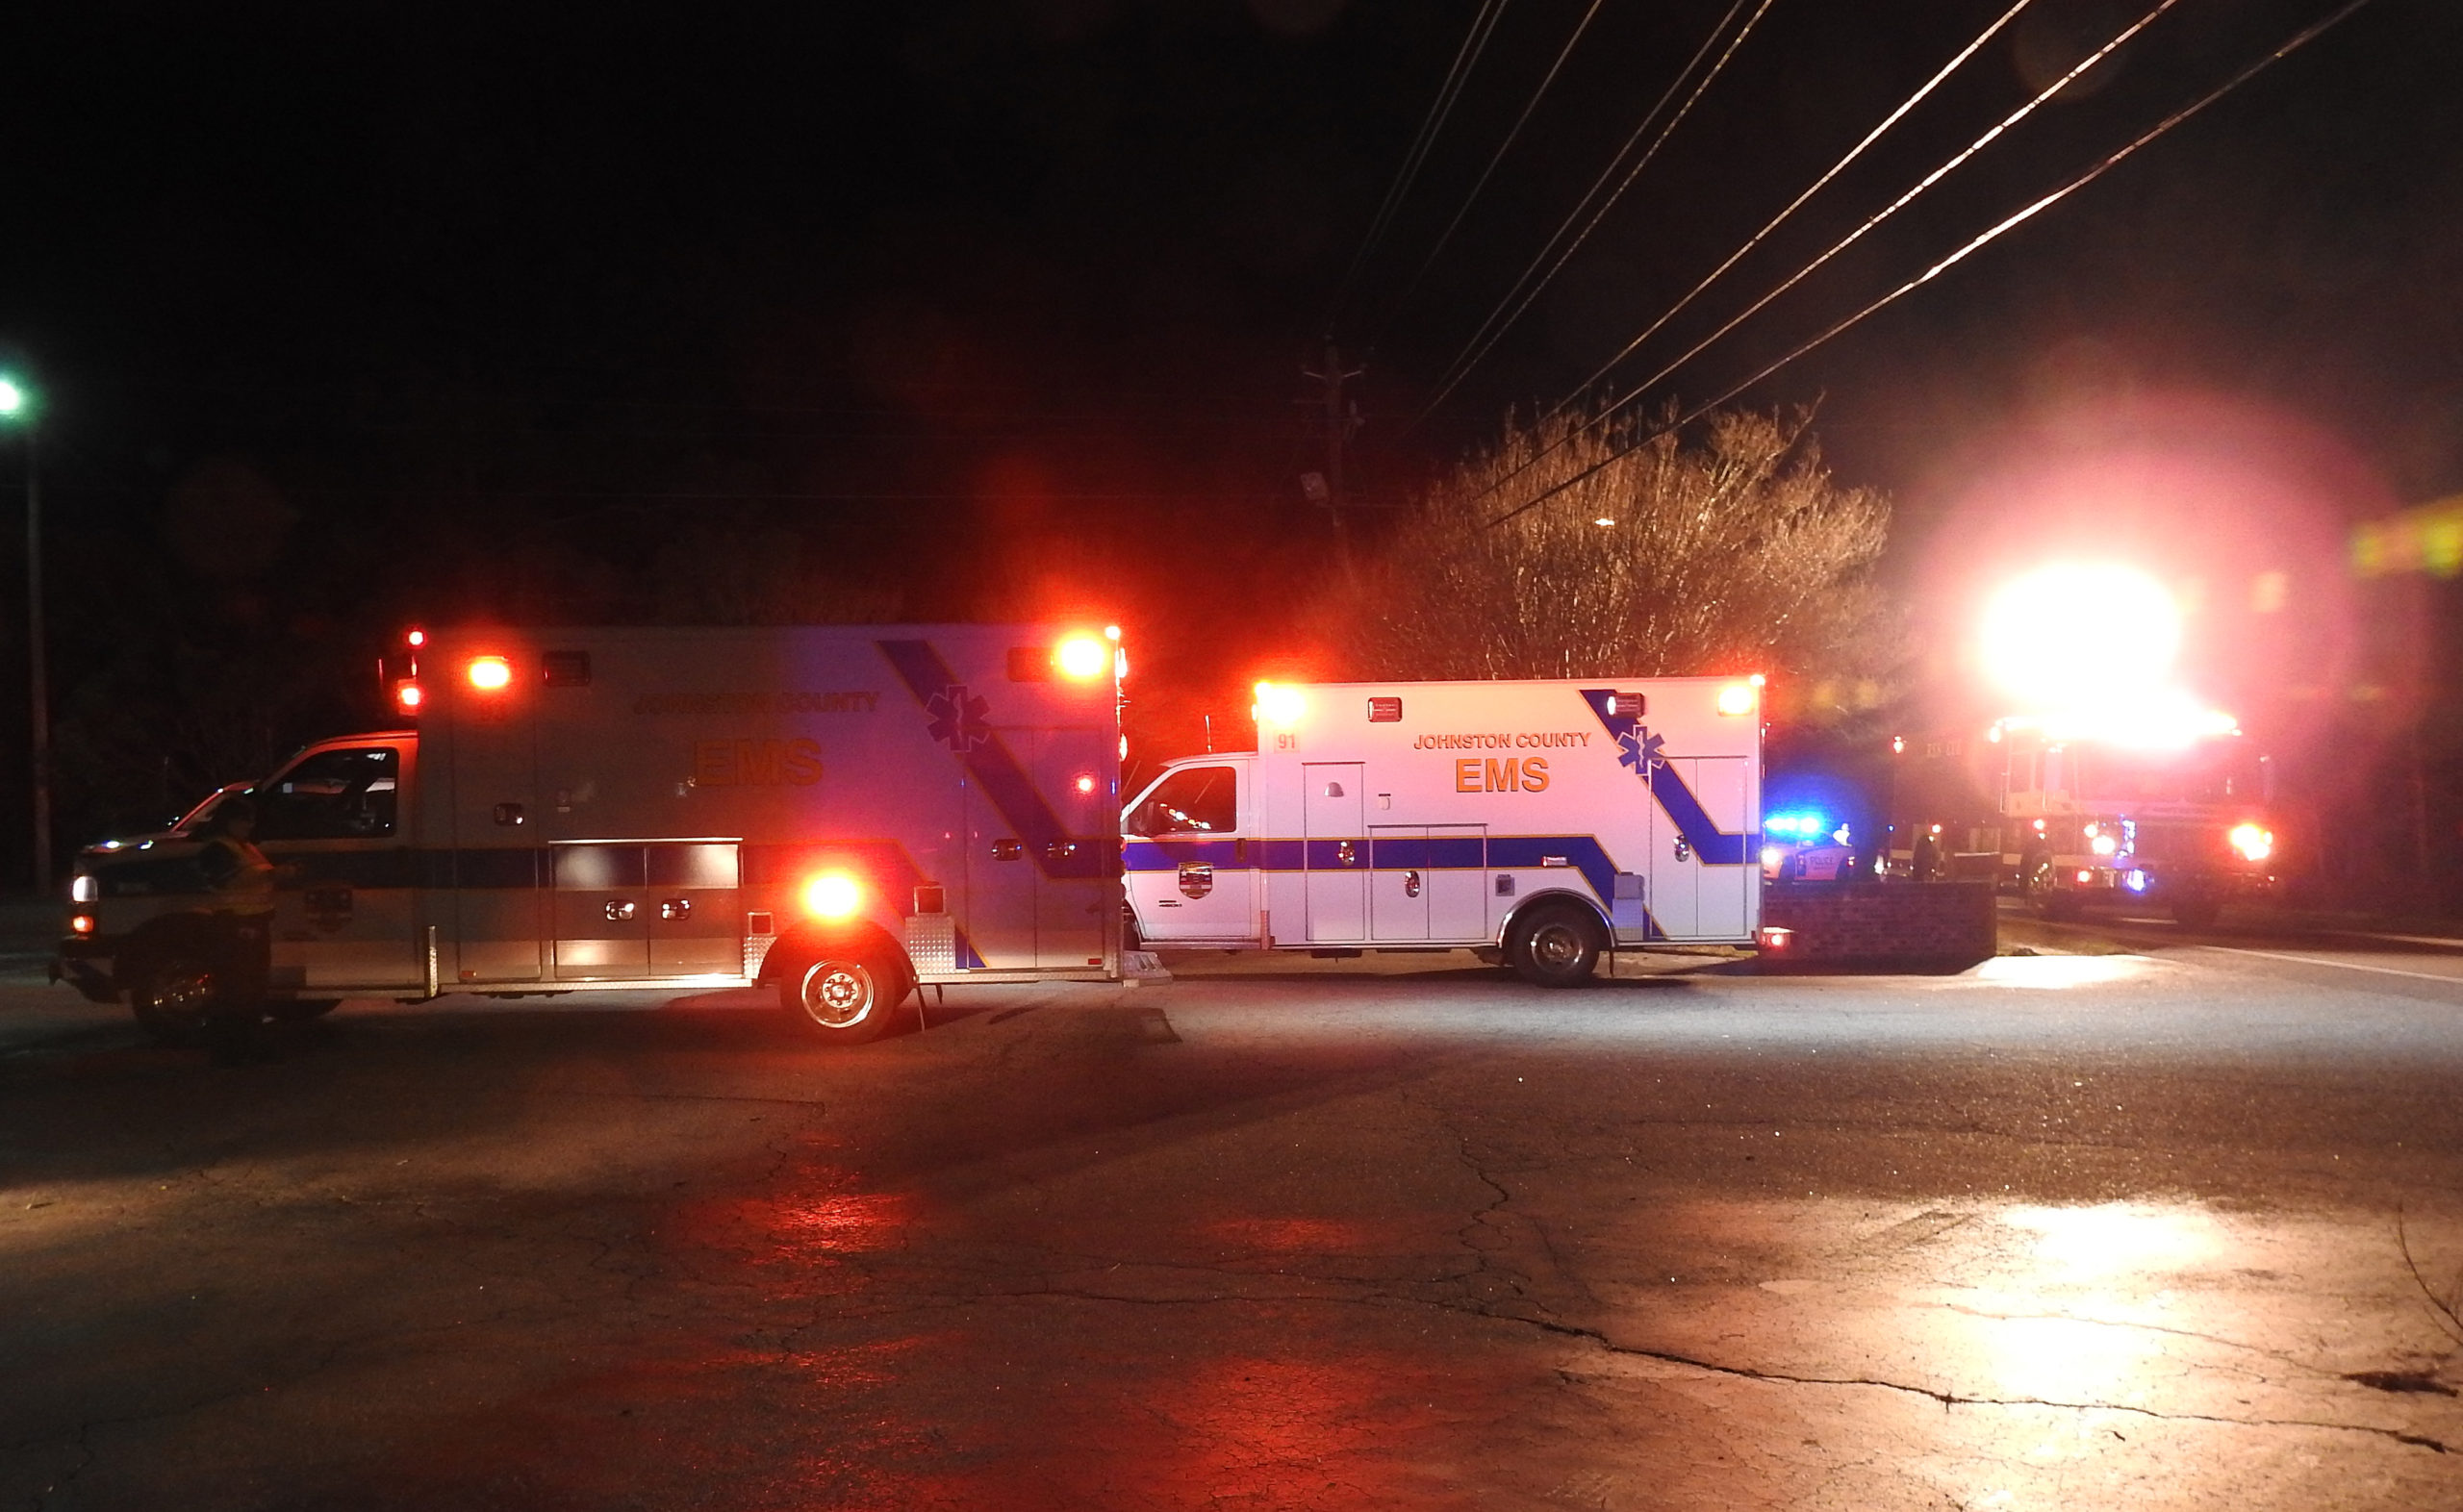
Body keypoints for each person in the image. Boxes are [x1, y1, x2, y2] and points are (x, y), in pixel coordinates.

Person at [195, 796, 279, 1061]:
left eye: (251, 820)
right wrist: (274, 874)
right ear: (228, 821)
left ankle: (246, 1045)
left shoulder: (245, 847)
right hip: (234, 924)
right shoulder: (218, 849)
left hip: (253, 921)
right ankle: (232, 1049)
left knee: (253, 986)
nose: (249, 825)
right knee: (237, 988)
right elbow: (225, 879)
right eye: (244, 820)